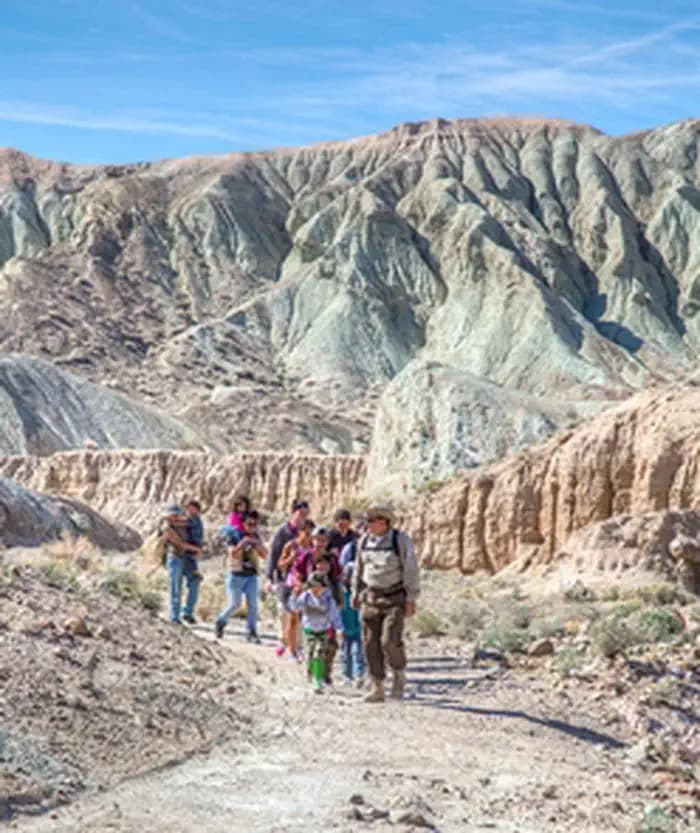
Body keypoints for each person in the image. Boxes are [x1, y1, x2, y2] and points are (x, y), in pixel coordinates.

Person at [351, 504, 420, 703]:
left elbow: (411, 569)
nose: (368, 525)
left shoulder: (400, 541)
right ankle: (377, 686)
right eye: (367, 521)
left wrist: (411, 598)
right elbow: (359, 568)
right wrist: (355, 593)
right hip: (370, 598)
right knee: (370, 643)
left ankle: (399, 674)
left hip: (394, 598)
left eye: (371, 521)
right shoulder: (364, 541)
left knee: (389, 641)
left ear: (384, 522)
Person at [266, 499, 310, 656]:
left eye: (306, 514)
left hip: (300, 579)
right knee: (283, 610)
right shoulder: (283, 532)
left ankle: (296, 644)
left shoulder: (307, 532)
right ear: (293, 512)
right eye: (301, 513)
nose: (303, 517)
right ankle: (283, 641)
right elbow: (274, 555)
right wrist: (269, 578)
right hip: (283, 577)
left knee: (297, 611)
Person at [215, 510, 266, 643]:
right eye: (249, 524)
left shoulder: (256, 537)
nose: (252, 527)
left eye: (255, 524)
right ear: (243, 524)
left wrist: (258, 545)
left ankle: (251, 631)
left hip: (251, 575)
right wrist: (242, 543)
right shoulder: (234, 535)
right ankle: (221, 620)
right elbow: (232, 552)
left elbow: (264, 555)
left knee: (253, 605)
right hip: (236, 574)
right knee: (235, 603)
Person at [289, 571, 343, 694]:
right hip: (309, 631)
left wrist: (339, 629)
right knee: (310, 654)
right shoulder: (306, 597)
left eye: (317, 586)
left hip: (323, 631)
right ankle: (311, 673)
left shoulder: (328, 600)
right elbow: (295, 607)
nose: (314, 589)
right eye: (312, 586)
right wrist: (294, 596)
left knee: (318, 654)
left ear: (323, 587)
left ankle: (317, 680)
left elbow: (334, 615)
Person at [278, 518, 315, 660]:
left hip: (307, 584)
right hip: (291, 583)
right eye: (306, 532)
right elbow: (280, 564)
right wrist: (291, 559)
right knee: (293, 616)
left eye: (311, 532)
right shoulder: (291, 546)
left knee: (301, 617)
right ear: (300, 532)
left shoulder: (312, 547)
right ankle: (293, 648)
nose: (309, 535)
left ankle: (297, 646)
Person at [160, 504, 204, 625]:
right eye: (173, 515)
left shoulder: (181, 523)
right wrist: (197, 549)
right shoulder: (166, 528)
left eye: (177, 515)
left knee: (195, 582)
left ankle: (187, 613)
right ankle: (174, 618)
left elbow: (193, 524)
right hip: (175, 558)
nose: (176, 517)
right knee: (176, 588)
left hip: (187, 558)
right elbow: (179, 544)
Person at [341, 560, 365, 687]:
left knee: (358, 652)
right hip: (345, 627)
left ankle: (359, 674)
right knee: (345, 652)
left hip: (358, 627)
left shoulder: (362, 594)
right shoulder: (342, 594)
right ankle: (347, 675)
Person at [181, 500, 204, 624]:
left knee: (193, 582)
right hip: (188, 555)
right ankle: (186, 612)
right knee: (193, 582)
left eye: (190, 508)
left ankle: (186, 612)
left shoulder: (194, 520)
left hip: (189, 555)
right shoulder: (194, 520)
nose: (188, 511)